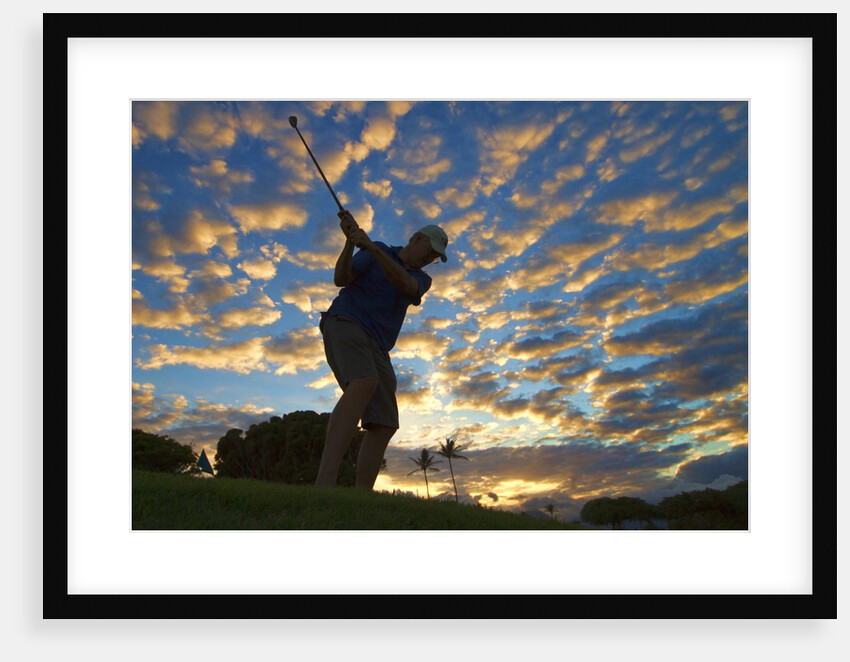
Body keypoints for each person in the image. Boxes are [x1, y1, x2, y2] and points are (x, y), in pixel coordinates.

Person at [315, 209, 448, 489]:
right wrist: (351, 241)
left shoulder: (422, 278)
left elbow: (406, 284)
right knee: (364, 382)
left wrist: (373, 249)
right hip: (345, 320)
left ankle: (361, 495)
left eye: (436, 257)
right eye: (431, 249)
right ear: (416, 238)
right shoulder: (379, 250)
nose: (431, 258)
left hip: (377, 344)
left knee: (385, 421)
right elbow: (341, 279)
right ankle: (324, 481)